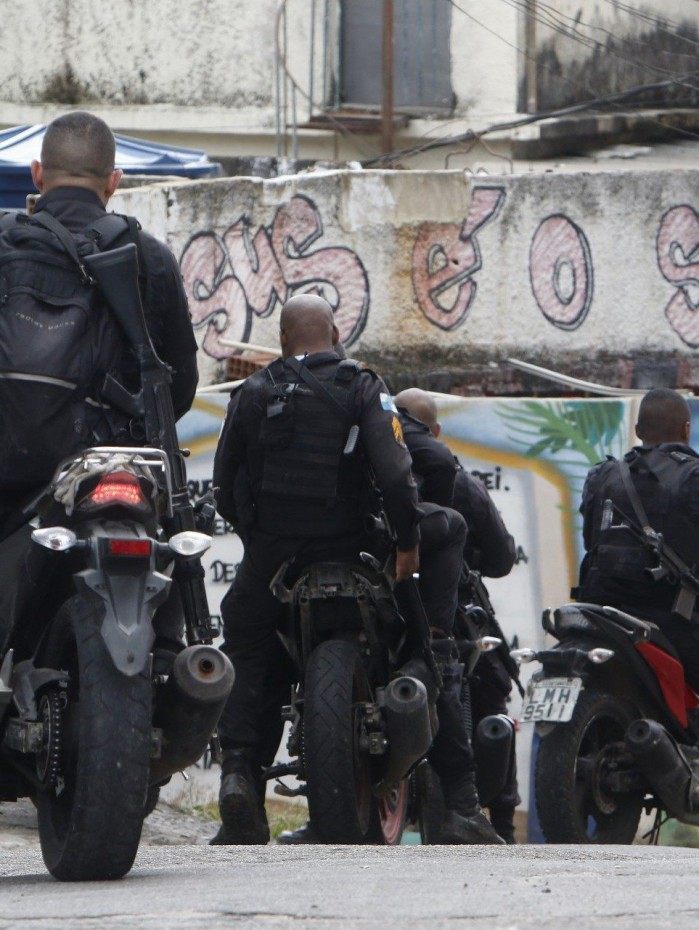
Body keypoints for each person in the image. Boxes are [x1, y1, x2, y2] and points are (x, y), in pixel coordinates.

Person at [212, 293, 503, 846]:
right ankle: (462, 804)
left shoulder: (253, 389)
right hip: (356, 548)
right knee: (432, 647)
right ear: (336, 333)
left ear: (281, 340)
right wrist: (408, 543)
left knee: (249, 651)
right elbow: (397, 475)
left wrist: (264, 544)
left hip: (279, 558)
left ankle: (239, 780)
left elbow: (227, 484)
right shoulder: (363, 384)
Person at [0, 112, 198, 646]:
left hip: (14, 476)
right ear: (115, 181)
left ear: (38, 174)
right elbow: (180, 386)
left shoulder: (4, 245)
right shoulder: (150, 257)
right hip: (119, 471)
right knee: (175, 573)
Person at [394, 388, 520, 843]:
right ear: (436, 432)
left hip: (378, 594)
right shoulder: (459, 481)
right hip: (442, 603)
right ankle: (494, 815)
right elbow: (503, 558)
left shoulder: (365, 459)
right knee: (491, 683)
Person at [578, 388, 699, 692]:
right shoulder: (693, 477)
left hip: (600, 615)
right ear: (687, 430)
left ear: (637, 431)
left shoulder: (602, 475)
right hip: (674, 626)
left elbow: (590, 541)